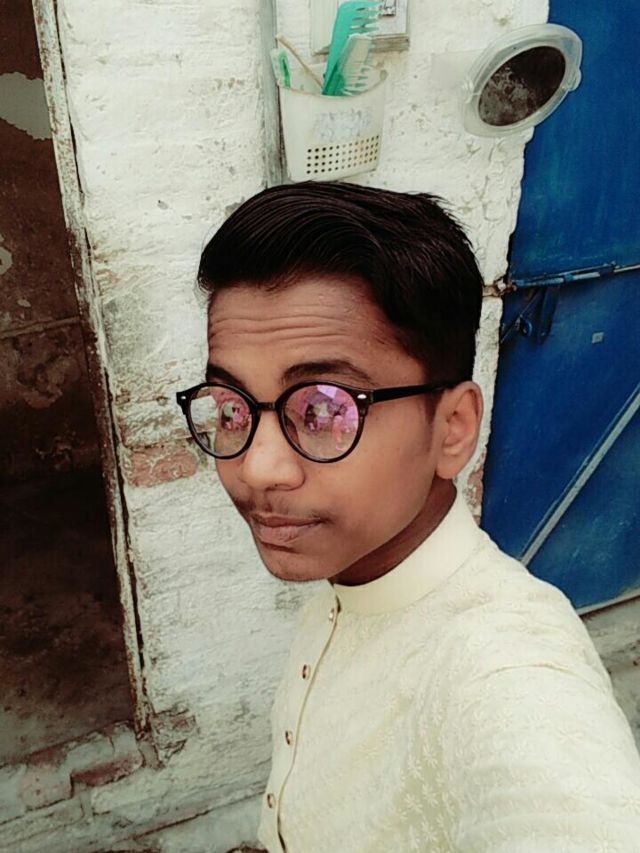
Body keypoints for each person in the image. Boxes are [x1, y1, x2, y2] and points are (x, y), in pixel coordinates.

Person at [177, 182, 640, 852]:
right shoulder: (356, 568)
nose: (258, 468)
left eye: (324, 408)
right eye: (230, 406)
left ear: (452, 429)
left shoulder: (507, 672)